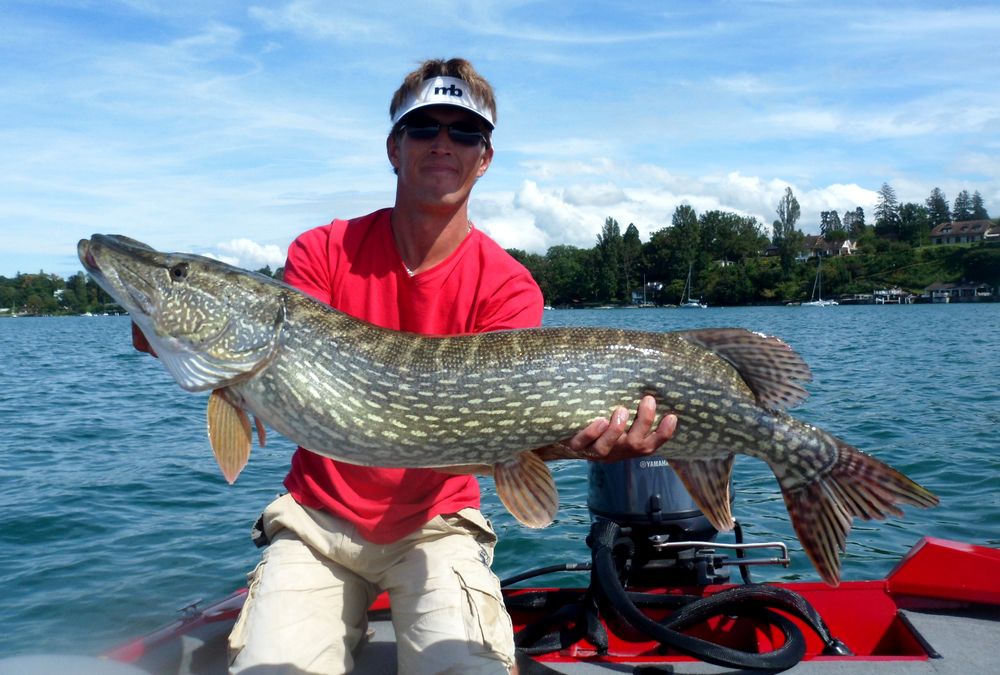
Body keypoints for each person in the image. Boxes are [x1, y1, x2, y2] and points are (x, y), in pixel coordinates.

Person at [140, 57, 677, 674]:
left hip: (438, 524)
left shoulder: (509, 286)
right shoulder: (322, 250)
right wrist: (170, 326)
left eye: (464, 132)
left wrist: (581, 444)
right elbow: (262, 357)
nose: (443, 144)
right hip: (317, 524)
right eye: (424, 129)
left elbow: (512, 431)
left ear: (485, 157)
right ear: (395, 148)